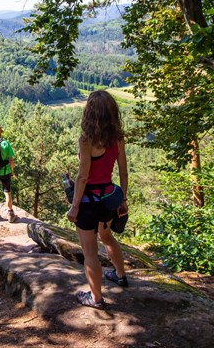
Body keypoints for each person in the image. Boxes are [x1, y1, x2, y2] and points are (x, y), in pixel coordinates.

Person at [66, 90, 129, 310]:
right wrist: (123, 199)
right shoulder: (118, 137)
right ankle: (120, 275)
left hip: (88, 202)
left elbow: (82, 177)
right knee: (107, 236)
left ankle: (96, 298)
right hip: (110, 197)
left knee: (90, 252)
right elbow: (123, 171)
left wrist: (74, 208)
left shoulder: (87, 139)